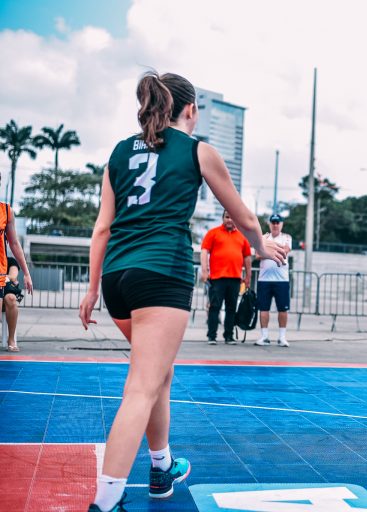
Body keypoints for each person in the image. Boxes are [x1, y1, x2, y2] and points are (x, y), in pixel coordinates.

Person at [78, 71, 286, 512]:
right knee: (141, 386)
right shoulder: (197, 150)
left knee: (159, 374)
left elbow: (101, 229)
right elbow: (244, 215)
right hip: (161, 274)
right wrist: (261, 246)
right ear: (190, 109)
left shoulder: (119, 152)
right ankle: (106, 500)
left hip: (117, 276)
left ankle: (162, 466)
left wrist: (92, 289)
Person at [200, 210, 252, 345]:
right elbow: (204, 251)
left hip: (235, 279)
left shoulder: (242, 236)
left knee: (231, 308)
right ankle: (212, 336)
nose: (229, 220)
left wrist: (248, 277)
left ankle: (229, 336)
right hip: (217, 278)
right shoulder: (213, 233)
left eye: (232, 217)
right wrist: (204, 271)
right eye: (227, 217)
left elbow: (247, 257)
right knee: (214, 307)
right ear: (222, 218)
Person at [253, 213, 293, 347]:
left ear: (281, 224)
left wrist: (266, 250)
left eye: (277, 222)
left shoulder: (286, 237)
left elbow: (285, 251)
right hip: (264, 279)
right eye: (273, 222)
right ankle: (264, 336)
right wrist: (269, 250)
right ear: (270, 224)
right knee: (263, 308)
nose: (275, 225)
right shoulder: (263, 237)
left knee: (283, 309)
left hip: (282, 280)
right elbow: (257, 255)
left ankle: (282, 337)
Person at [0, 197, 34, 352]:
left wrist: (26, 273)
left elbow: (14, 243)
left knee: (10, 298)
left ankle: (11, 338)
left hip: (1, 274)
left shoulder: (6, 211)